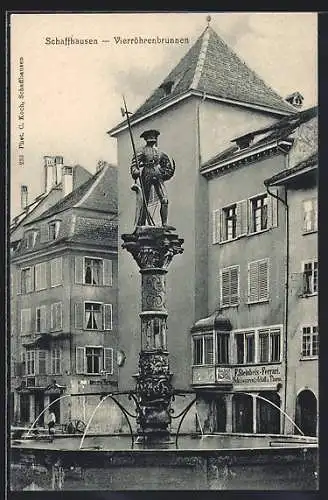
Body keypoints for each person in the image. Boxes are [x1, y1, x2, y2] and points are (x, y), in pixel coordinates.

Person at [130, 129, 175, 227]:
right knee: (144, 200)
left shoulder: (160, 152)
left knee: (164, 199)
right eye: (150, 136)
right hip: (147, 172)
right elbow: (134, 165)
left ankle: (164, 223)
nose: (152, 138)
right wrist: (135, 171)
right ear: (146, 138)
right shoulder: (141, 151)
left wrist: (165, 172)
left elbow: (166, 165)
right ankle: (141, 223)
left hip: (158, 174)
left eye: (154, 136)